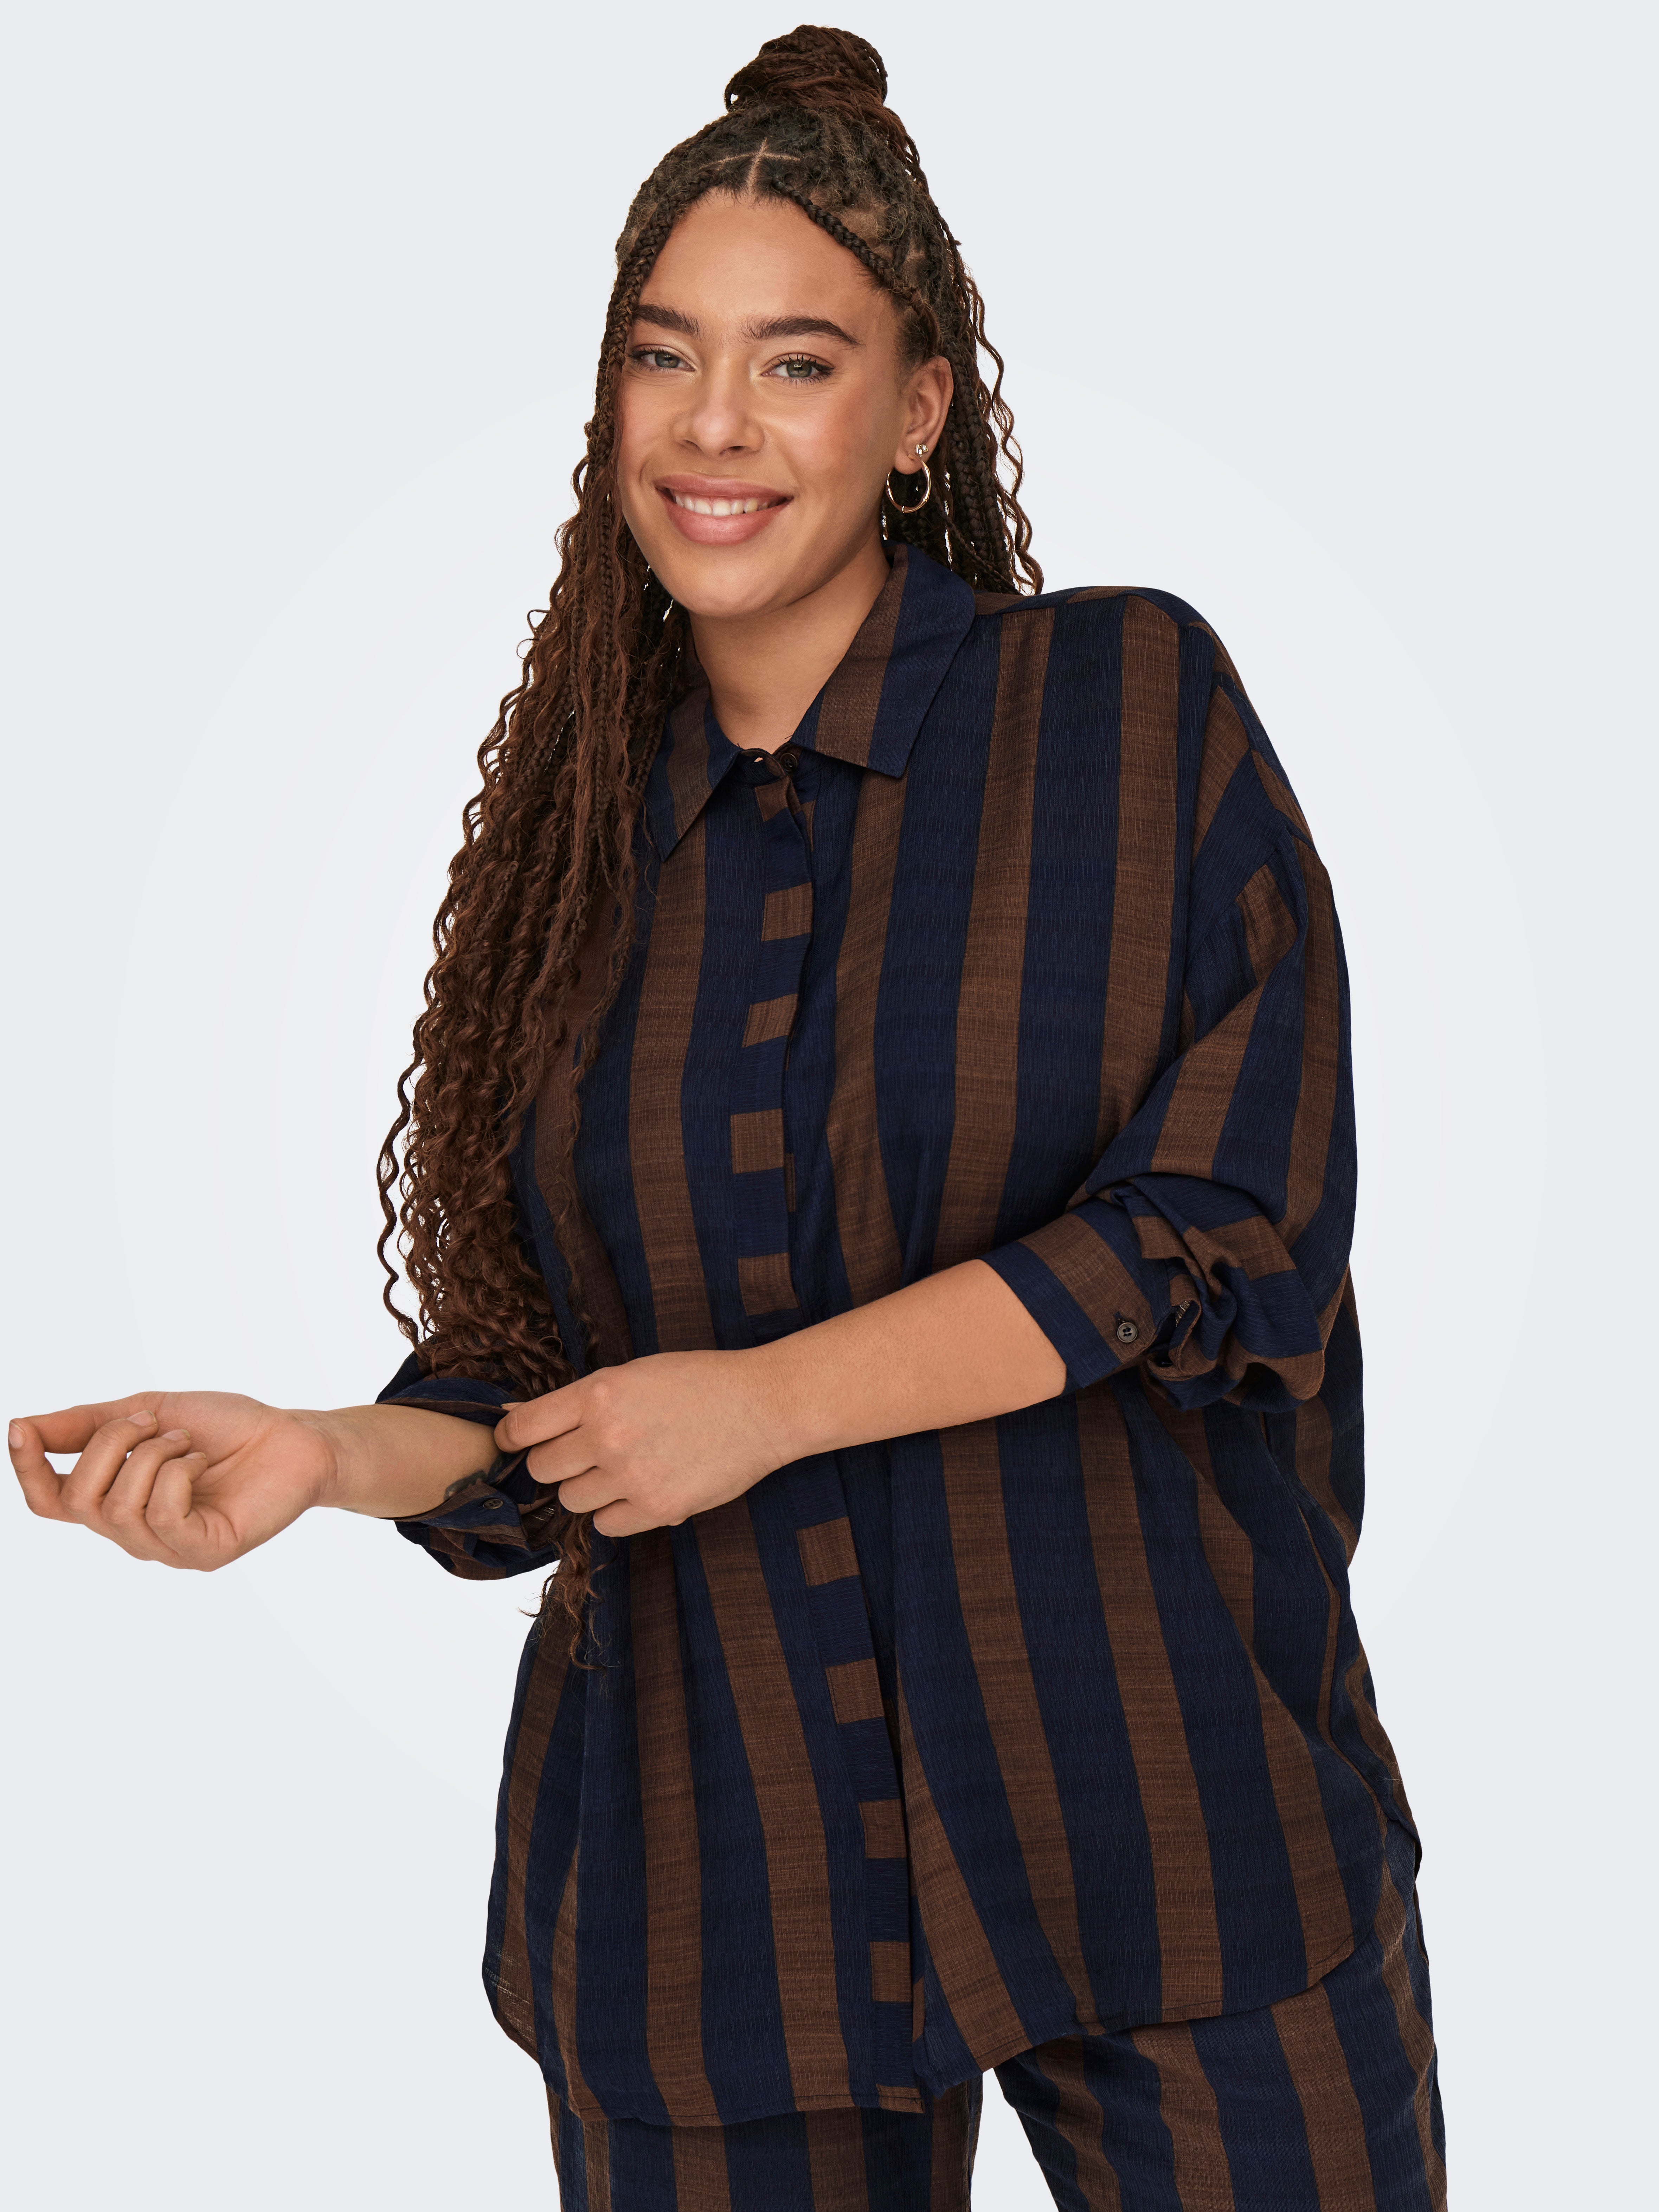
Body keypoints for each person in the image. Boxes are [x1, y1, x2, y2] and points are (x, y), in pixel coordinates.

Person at [10, 26, 1445, 2211]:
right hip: (715, 1884)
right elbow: (548, 1391)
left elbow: (1227, 1228)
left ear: (918, 410)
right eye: (664, 356)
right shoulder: (571, 865)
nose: (712, 425)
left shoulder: (1121, 705)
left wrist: (768, 1403)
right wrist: (322, 1455)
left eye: (797, 364)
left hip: (1168, 1813)